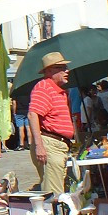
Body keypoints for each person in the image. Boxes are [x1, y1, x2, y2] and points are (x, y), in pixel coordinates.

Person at [27, 52, 75, 195]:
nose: (67, 71)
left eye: (65, 67)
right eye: (61, 68)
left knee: (60, 191)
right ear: (49, 71)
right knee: (54, 196)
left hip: (58, 145)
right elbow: (32, 115)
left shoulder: (60, 91)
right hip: (50, 145)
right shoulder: (44, 87)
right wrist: (39, 146)